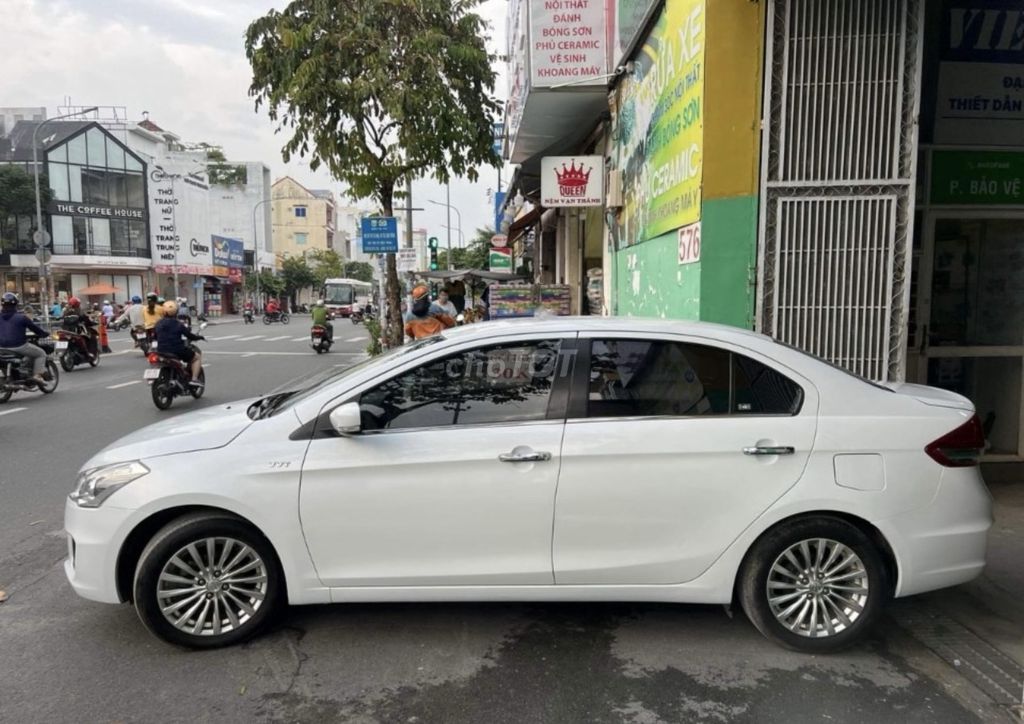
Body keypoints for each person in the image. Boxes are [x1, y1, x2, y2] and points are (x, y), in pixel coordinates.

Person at [0, 292, 50, 384]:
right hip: (18, 346)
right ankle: (37, 375)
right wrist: (45, 334)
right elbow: (36, 329)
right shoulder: (22, 317)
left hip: (2, 347)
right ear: (16, 304)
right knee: (41, 353)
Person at [154, 300, 205, 387]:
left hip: (161, 350)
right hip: (176, 350)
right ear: (176, 312)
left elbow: (155, 335)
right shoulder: (178, 324)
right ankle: (194, 379)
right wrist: (199, 337)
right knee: (196, 357)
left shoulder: (158, 323)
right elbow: (189, 335)